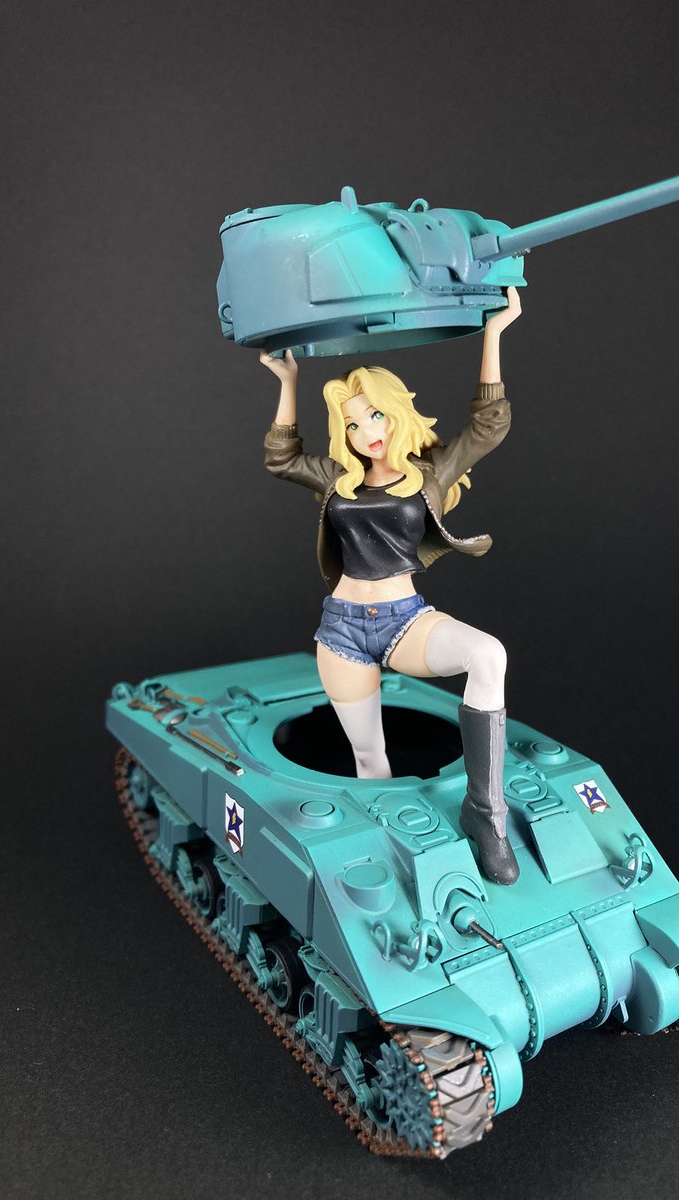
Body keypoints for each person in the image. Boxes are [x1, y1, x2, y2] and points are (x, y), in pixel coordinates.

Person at [261, 288, 522, 884]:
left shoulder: (430, 471)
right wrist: (288, 382)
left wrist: (494, 333)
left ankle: (486, 816)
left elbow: (489, 426)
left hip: (406, 621)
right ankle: (390, 853)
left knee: (488, 655)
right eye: (351, 423)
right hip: (342, 633)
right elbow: (282, 459)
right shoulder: (338, 478)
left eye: (373, 415)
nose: (365, 431)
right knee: (369, 757)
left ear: (395, 411)